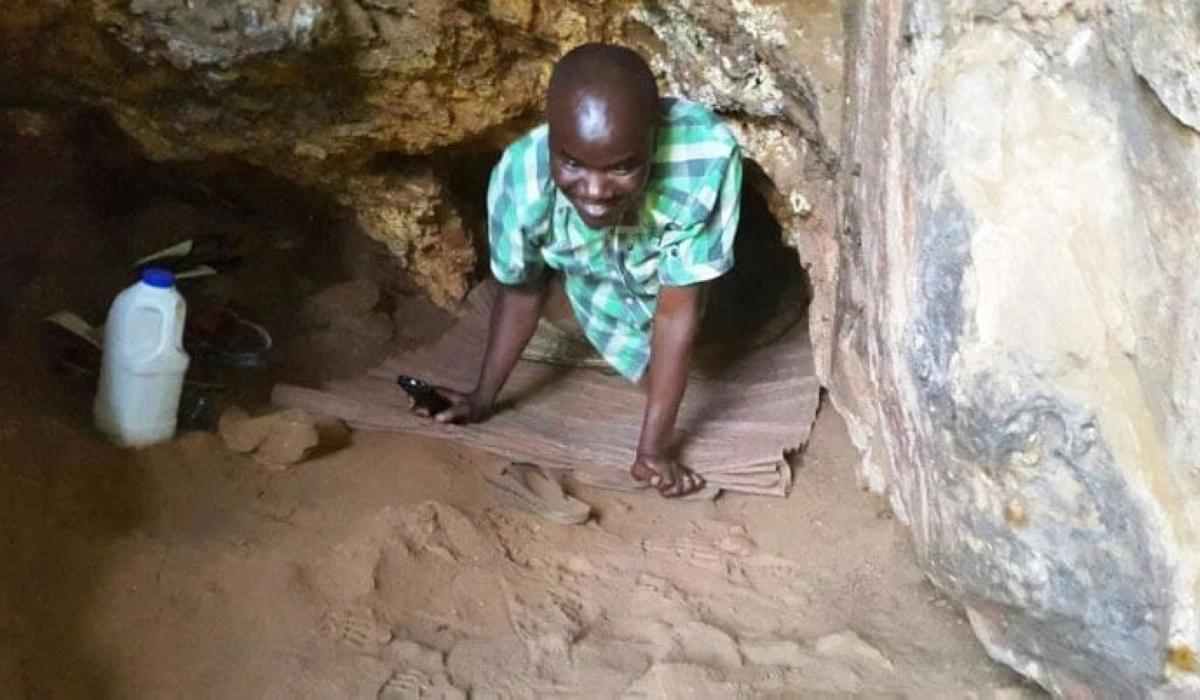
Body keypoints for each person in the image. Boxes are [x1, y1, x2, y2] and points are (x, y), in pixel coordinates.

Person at [415, 42, 743, 499]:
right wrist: (481, 398)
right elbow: (522, 292)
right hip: (599, 301)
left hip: (687, 292)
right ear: (550, 137)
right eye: (571, 162)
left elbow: (677, 313)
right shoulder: (520, 180)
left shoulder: (702, 159)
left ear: (655, 138)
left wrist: (652, 448)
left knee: (718, 350)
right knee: (655, 379)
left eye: (623, 167)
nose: (594, 190)